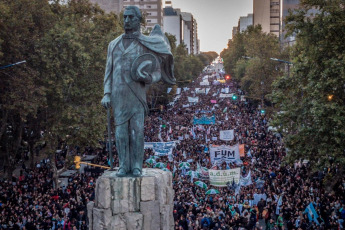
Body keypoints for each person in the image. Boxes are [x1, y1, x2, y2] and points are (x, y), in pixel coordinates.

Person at [101, 6, 175, 176]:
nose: (126, 20)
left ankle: (136, 166)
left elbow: (156, 72)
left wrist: (148, 78)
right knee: (120, 134)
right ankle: (123, 166)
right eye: (125, 17)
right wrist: (106, 93)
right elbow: (108, 72)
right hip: (118, 95)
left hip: (137, 94)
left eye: (130, 17)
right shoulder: (113, 44)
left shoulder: (146, 43)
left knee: (137, 132)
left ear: (138, 20)